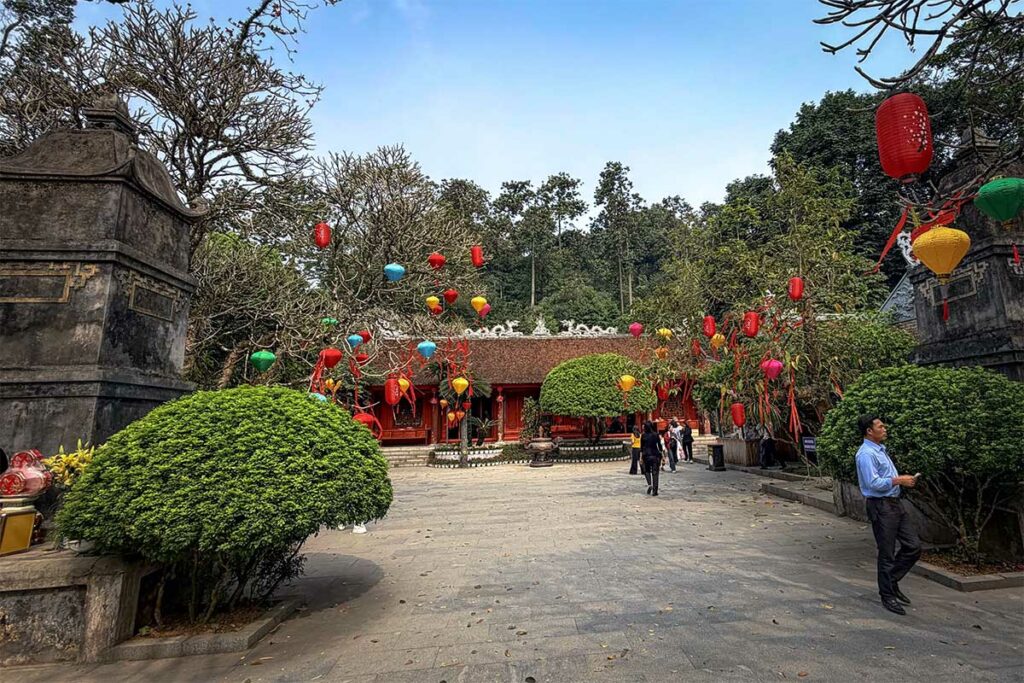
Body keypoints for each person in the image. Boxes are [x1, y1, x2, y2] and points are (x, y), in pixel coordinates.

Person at [855, 415, 921, 616]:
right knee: (887, 552)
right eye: (880, 426)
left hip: (894, 504)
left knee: (913, 546)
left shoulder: (880, 450)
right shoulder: (866, 454)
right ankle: (887, 595)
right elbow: (872, 483)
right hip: (880, 506)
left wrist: (899, 482)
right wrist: (899, 480)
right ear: (869, 431)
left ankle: (891, 580)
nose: (885, 429)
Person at [640, 420, 662, 496]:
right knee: (655, 473)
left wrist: (641, 457)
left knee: (647, 471)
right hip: (655, 455)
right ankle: (655, 491)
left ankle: (650, 484)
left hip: (646, 455)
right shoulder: (656, 435)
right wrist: (662, 454)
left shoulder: (643, 435)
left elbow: (641, 447)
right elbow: (659, 446)